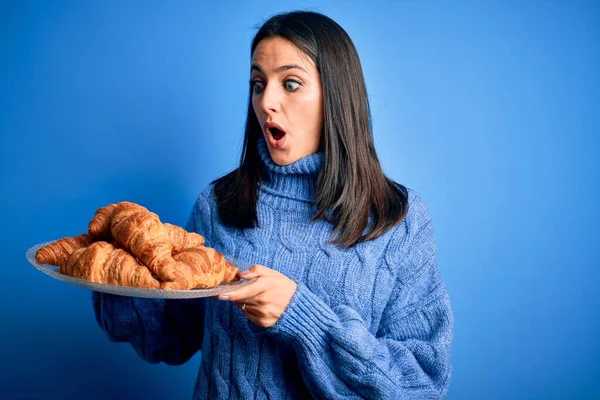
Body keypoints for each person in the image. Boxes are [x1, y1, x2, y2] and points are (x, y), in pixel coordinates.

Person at [92, 10, 454, 399]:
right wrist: (119, 279)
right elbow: (171, 339)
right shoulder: (218, 205)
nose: (267, 102)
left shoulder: (398, 219)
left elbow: (422, 385)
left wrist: (304, 320)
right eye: (258, 84)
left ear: (336, 94)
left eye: (291, 83)